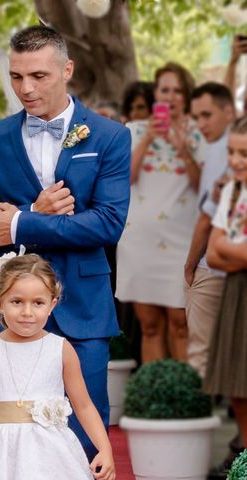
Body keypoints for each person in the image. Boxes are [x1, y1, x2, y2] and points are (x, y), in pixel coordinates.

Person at [0, 25, 130, 460]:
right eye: (16, 76)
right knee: (10, 430)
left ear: (67, 69)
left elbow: (107, 224)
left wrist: (19, 224)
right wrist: (36, 212)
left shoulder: (110, 136)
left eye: (38, 76)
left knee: (85, 432)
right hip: (10, 307)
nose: (25, 88)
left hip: (84, 307)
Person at [0, 253, 115, 480]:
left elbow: (83, 406)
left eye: (38, 303)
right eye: (17, 302)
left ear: (52, 304)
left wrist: (105, 448)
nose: (27, 312)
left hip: (51, 454)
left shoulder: (61, 349)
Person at [116, 62, 205, 364]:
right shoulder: (134, 130)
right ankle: (158, 405)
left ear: (187, 95)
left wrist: (183, 148)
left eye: (177, 90)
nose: (170, 96)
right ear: (156, 93)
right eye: (165, 89)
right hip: (140, 241)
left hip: (182, 242)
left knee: (182, 324)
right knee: (150, 325)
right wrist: (148, 139)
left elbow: (202, 186)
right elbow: (123, 179)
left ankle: (184, 402)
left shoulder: (199, 132)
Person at [185, 82, 235, 377]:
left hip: (213, 265)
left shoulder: (225, 149)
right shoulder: (218, 147)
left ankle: (199, 417)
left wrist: (190, 266)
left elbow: (206, 218)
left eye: (207, 115)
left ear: (228, 112)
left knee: (200, 354)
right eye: (196, 117)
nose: (201, 124)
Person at [204, 115, 247, 457]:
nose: (234, 161)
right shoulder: (232, 191)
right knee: (237, 381)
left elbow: (224, 249)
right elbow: (214, 254)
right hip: (237, 292)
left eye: (243, 154)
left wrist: (230, 251)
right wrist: (238, 253)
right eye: (231, 152)